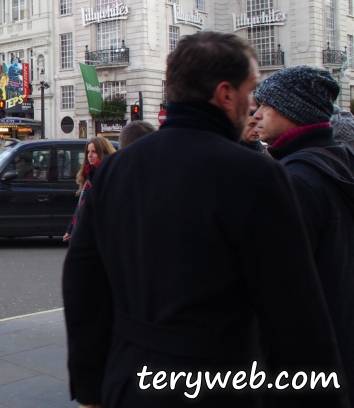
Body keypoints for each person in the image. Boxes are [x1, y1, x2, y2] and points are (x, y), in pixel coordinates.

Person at [63, 32, 346, 407]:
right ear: (226, 94)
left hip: (129, 377)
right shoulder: (254, 175)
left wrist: (90, 387)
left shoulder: (117, 169)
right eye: (252, 90)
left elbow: (83, 282)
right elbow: (294, 314)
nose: (253, 107)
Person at [254, 66, 354, 405]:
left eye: (266, 105)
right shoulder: (338, 163)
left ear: (292, 111)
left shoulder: (293, 181)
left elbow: (277, 289)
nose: (257, 114)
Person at [62, 137, 115, 242]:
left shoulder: (107, 174)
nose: (89, 155)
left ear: (103, 153)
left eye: (94, 152)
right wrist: (71, 229)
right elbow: (80, 206)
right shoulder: (88, 174)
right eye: (88, 152)